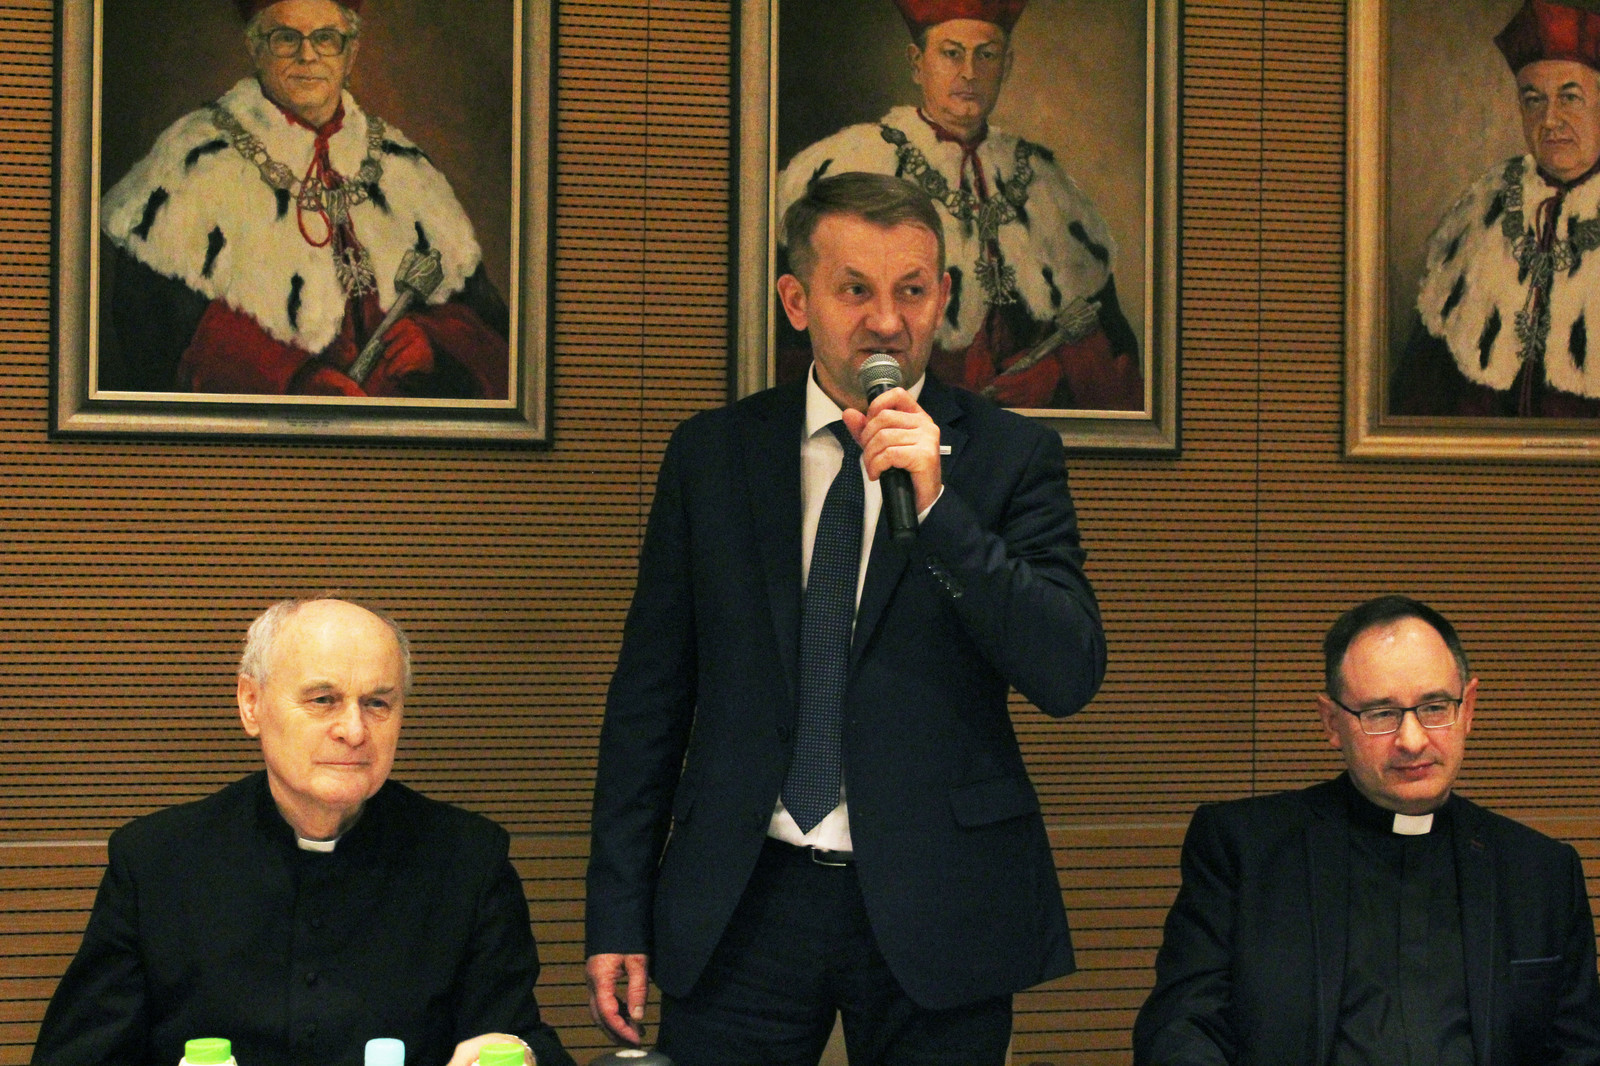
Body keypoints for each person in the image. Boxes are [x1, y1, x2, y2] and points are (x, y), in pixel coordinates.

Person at [584, 172, 1106, 1065]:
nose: (887, 321)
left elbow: (1069, 671)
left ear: (945, 297)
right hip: (745, 893)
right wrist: (617, 912)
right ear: (798, 302)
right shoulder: (712, 455)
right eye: (855, 289)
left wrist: (939, 512)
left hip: (940, 896)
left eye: (913, 290)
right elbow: (649, 701)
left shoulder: (1011, 457)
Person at [32, 597, 574, 1066]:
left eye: (377, 703)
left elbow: (517, 1037)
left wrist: (516, 1052)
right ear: (251, 704)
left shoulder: (467, 859)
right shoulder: (156, 862)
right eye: (323, 700)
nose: (354, 730)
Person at [1133, 595, 1600, 1065]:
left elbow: (1579, 1049)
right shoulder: (1244, 850)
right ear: (1331, 722)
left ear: (1469, 708)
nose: (1412, 740)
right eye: (1381, 714)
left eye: (1435, 707)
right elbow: (1181, 1027)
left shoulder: (1542, 873)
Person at [99, 0, 510, 399]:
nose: (308, 55)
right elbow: (151, 331)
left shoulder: (404, 167)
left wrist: (433, 344)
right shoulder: (194, 160)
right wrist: (292, 380)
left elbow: (490, 333)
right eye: (286, 38)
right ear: (254, 48)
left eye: (326, 38)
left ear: (350, 53)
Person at [773, 0, 1143, 410]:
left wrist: (1054, 371)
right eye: (952, 54)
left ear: (1007, 65)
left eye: (987, 55)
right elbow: (797, 344)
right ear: (917, 63)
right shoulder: (849, 161)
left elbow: (1110, 339)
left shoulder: (1047, 182)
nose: (969, 73)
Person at [1392, 0, 1600, 416]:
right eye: (1533, 99)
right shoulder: (1481, 210)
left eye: (1570, 97)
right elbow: (1419, 392)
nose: (1550, 120)